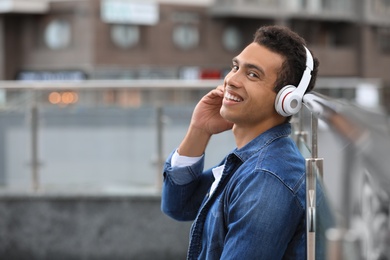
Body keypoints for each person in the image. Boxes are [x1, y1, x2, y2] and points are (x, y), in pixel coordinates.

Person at [161, 25, 320, 259]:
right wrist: (199, 129)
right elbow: (178, 205)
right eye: (236, 67)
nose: (231, 80)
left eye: (252, 74)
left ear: (287, 100)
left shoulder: (267, 178)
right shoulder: (252, 158)